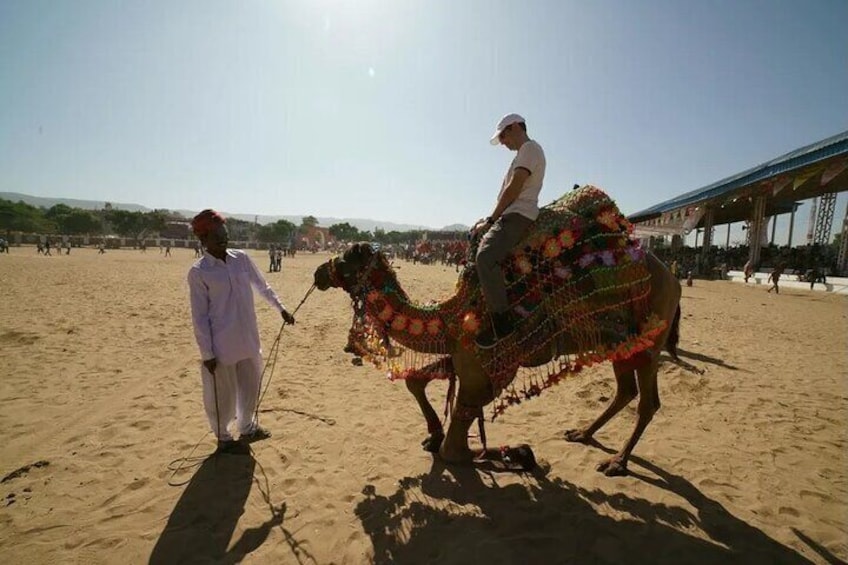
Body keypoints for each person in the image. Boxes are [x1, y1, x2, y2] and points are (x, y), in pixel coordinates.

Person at [188, 209, 296, 453]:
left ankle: (247, 427)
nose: (224, 239)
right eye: (218, 235)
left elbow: (262, 286)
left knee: (250, 386)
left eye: (225, 233)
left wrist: (281, 309)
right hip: (221, 346)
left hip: (248, 339)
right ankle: (224, 438)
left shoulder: (242, 259)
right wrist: (207, 354)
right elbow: (200, 317)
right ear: (204, 239)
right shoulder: (199, 272)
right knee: (222, 395)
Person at [473, 113, 546, 349]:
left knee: (485, 257)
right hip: (511, 214)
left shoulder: (529, 149)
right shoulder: (523, 153)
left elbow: (514, 189)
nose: (503, 142)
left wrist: (492, 219)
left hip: (517, 215)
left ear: (515, 127)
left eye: (503, 135)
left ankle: (501, 325)